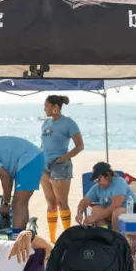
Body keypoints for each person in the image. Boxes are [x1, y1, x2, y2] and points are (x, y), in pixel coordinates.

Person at [38, 94, 83, 242]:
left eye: (47, 106)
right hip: (44, 165)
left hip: (60, 165)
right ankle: (52, 239)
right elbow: (43, 144)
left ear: (55, 107)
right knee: (50, 203)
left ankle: (66, 237)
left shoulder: (68, 123)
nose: (44, 108)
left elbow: (79, 146)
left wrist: (63, 158)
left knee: (62, 202)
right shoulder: (45, 124)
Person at [0, 135, 45, 233]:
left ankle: (17, 239)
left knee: (19, 203)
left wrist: (6, 203)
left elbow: (6, 177)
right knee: (18, 203)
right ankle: (18, 236)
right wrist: (5, 201)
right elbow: (6, 178)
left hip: (30, 159)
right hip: (32, 156)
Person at [76, 161, 134, 231]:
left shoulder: (118, 181)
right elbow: (84, 202)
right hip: (110, 214)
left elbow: (116, 205)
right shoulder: (97, 187)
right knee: (96, 209)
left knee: (117, 212)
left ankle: (116, 236)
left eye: (98, 179)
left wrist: (94, 218)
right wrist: (80, 213)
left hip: (128, 212)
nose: (97, 182)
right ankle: (105, 234)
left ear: (107, 175)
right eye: (95, 180)